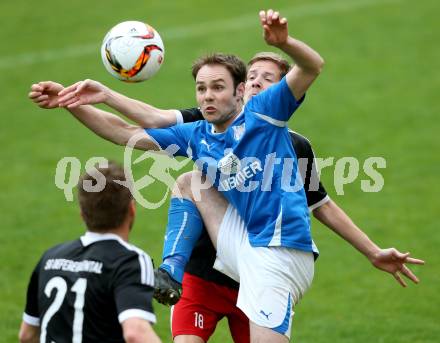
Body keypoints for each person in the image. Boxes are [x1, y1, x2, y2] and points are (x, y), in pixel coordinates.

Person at [28, 10, 424, 343]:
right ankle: (172, 268)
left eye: (219, 87)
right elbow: (128, 130)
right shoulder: (198, 132)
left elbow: (313, 67)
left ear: (241, 94)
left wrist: (283, 42)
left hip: (278, 254)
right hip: (235, 253)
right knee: (189, 182)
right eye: (202, 88)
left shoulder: (268, 117)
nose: (208, 95)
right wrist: (71, 100)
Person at [18, 162, 162, 343]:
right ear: (131, 210)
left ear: (82, 214)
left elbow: (27, 335)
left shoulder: (49, 258)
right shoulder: (130, 261)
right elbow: (136, 333)